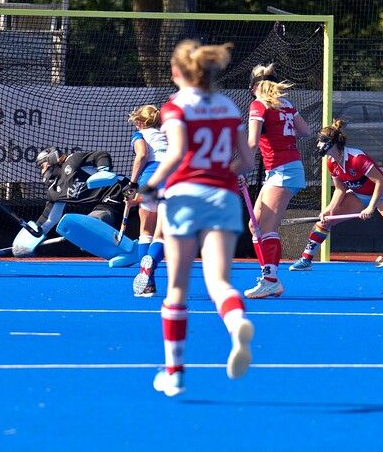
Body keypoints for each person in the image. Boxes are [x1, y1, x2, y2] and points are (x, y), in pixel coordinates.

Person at [136, 39, 256, 397]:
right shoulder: (228, 105)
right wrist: (221, 174)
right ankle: (237, 325)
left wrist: (150, 186)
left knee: (177, 289)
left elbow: (176, 154)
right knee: (219, 282)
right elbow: (247, 162)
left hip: (185, 197)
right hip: (223, 197)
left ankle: (174, 373)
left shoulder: (175, 107)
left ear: (176, 72)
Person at [288, 118, 383, 270]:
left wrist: (371, 207)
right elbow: (340, 189)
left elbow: (380, 182)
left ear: (330, 143)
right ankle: (306, 260)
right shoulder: (330, 162)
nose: (317, 145)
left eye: (320, 141)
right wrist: (329, 209)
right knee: (324, 221)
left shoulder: (357, 158)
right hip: (359, 195)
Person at [242, 63, 311, 299]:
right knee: (255, 225)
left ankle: (270, 280)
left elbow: (251, 143)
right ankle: (268, 276)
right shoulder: (287, 105)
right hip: (284, 169)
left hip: (283, 170)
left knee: (267, 227)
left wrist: (239, 168)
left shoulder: (258, 105)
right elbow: (305, 130)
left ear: (254, 87)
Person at [126, 104, 168, 298]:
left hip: (150, 179)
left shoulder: (140, 135)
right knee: (162, 235)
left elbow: (142, 155)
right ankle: (150, 265)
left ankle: (147, 284)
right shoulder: (167, 135)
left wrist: (132, 183)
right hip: (171, 179)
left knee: (146, 231)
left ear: (141, 122)